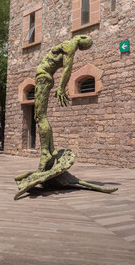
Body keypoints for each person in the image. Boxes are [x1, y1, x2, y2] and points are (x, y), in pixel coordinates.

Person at [35, 35, 93, 171]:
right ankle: (51, 149)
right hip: (45, 77)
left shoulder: (69, 46)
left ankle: (45, 153)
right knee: (40, 116)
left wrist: (61, 88)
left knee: (40, 116)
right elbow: (67, 67)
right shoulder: (69, 46)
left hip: (43, 77)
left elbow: (68, 68)